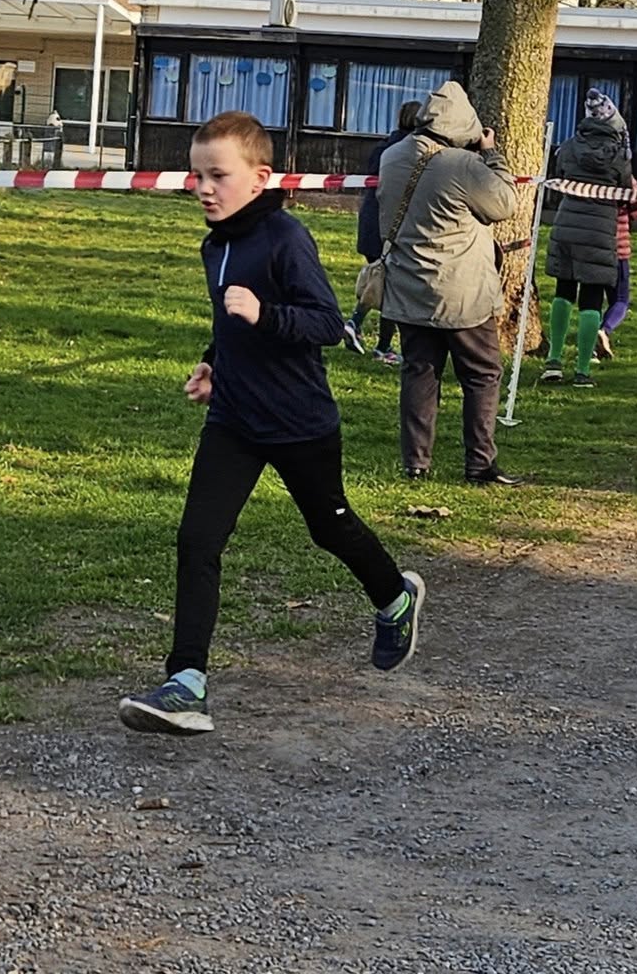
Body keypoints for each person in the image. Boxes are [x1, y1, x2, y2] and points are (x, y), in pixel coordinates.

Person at [117, 109, 422, 737]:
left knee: (329, 528)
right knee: (198, 539)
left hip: (299, 421)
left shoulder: (285, 239)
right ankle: (187, 682)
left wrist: (265, 314)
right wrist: (211, 363)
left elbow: (326, 326)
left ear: (259, 178)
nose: (203, 188)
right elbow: (228, 323)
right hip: (234, 419)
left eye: (217, 176)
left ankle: (396, 597)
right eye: (197, 176)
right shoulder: (215, 244)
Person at [379, 80, 522, 483]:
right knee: (481, 375)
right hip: (462, 293)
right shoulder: (462, 164)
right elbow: (505, 205)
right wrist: (491, 154)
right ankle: (479, 464)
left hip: (408, 284)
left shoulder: (391, 157)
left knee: (420, 373)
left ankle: (416, 464)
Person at [541, 90, 634, 387]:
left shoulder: (568, 147)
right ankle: (582, 371)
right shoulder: (618, 155)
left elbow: (560, 174)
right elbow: (625, 189)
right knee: (592, 299)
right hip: (600, 230)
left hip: (567, 224)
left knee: (563, 292)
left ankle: (553, 360)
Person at [344, 99, 423, 365]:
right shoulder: (408, 152)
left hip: (371, 223)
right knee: (390, 287)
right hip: (388, 227)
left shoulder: (383, 147)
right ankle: (368, 334)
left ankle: (370, 335)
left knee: (385, 284)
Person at [596, 170, 637, 362]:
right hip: (618, 248)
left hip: (592, 246)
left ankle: (592, 348)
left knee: (593, 301)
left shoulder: (588, 172)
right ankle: (604, 329)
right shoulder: (625, 176)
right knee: (621, 300)